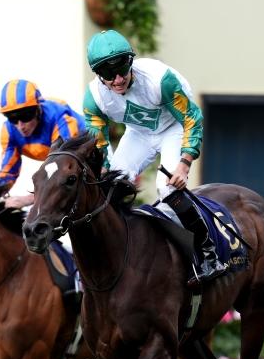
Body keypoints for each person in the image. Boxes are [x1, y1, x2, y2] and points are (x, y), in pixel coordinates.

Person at [82, 29, 226, 283]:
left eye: (122, 69)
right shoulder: (93, 98)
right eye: (108, 73)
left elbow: (191, 118)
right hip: (138, 133)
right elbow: (100, 145)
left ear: (131, 62)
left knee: (167, 189)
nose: (118, 79)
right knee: (109, 187)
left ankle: (208, 252)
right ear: (97, 74)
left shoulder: (160, 80)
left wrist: (184, 165)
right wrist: (103, 171)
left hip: (173, 128)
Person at [0, 79, 86, 208]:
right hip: (61, 159)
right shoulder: (9, 130)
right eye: (12, 118)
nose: (20, 126)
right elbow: (8, 171)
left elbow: (64, 170)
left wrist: (29, 199)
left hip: (94, 151)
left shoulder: (61, 120)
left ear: (38, 109)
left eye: (26, 116)